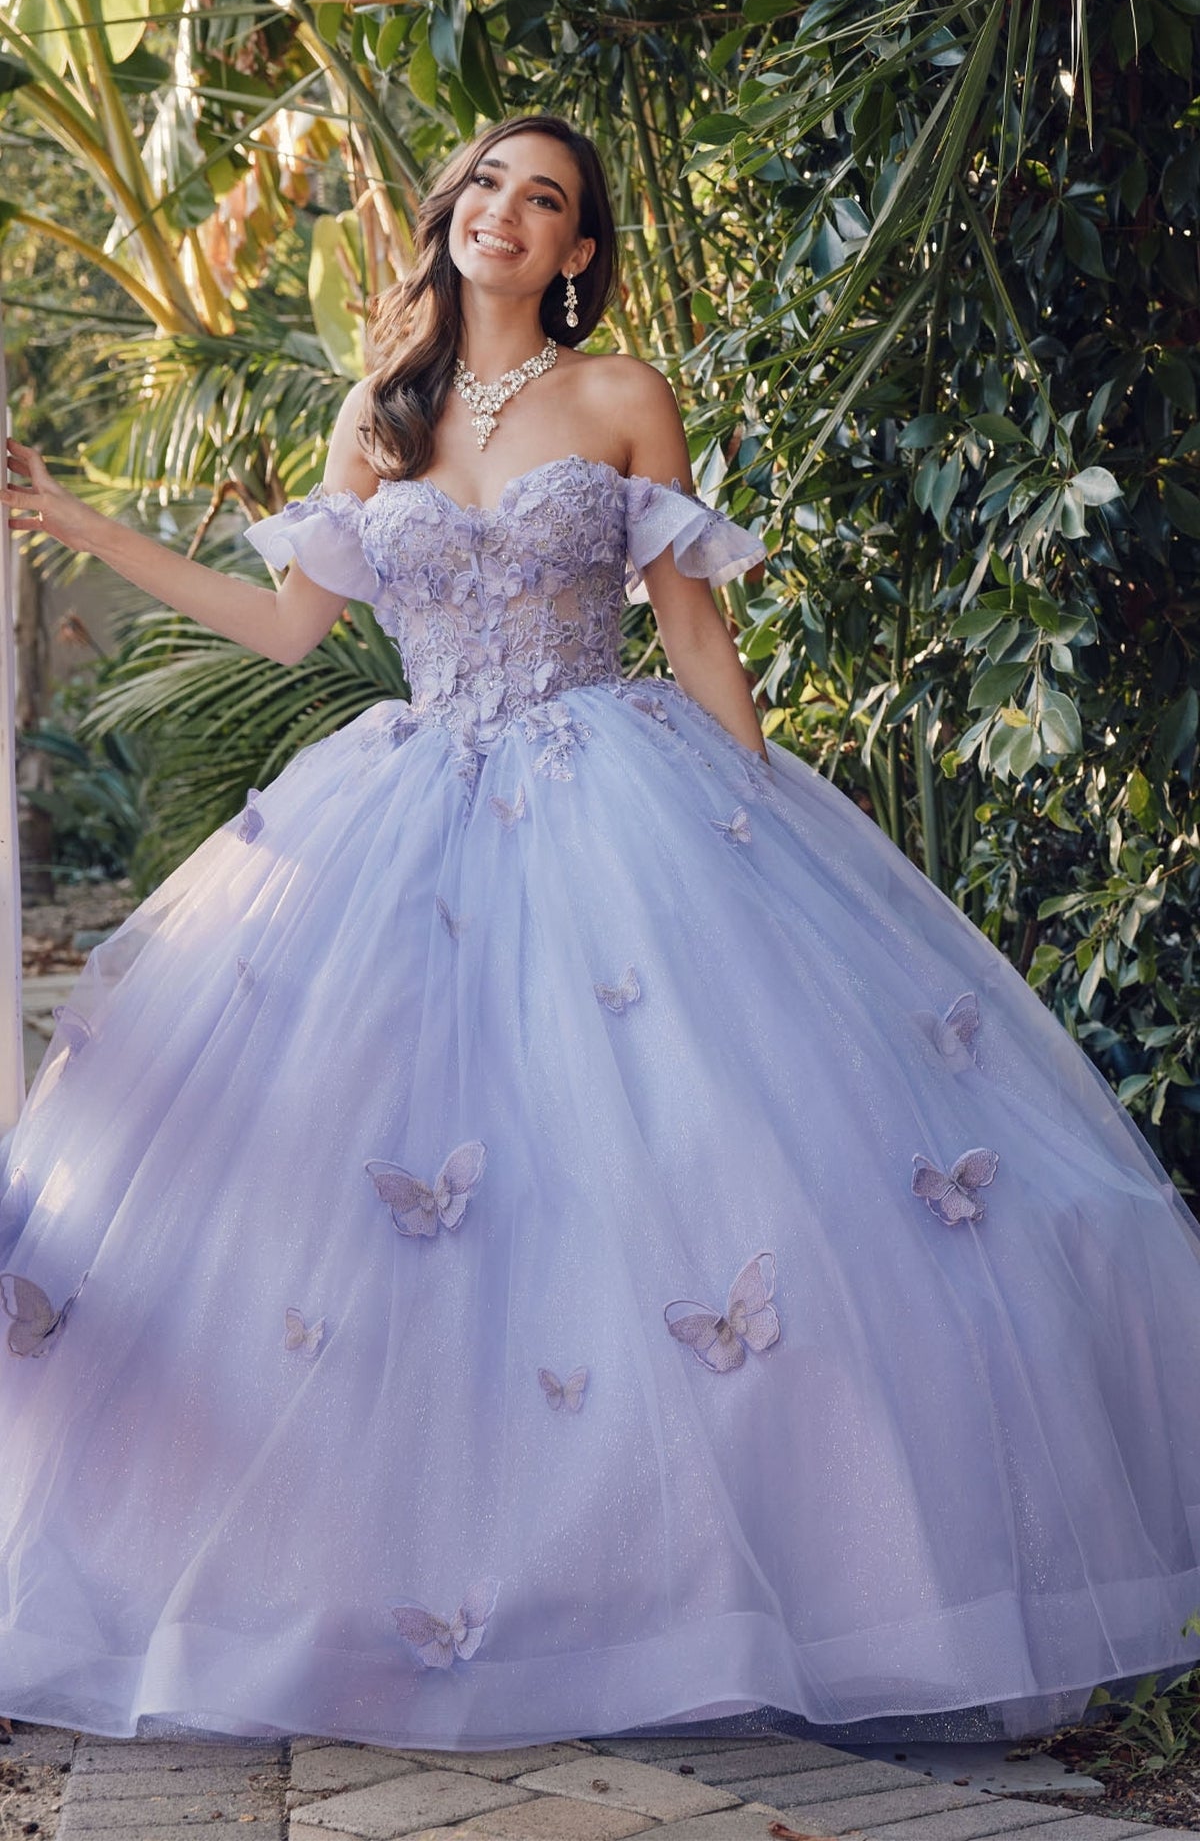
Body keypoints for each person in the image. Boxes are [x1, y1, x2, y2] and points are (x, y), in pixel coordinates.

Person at [1, 112, 1199, 1756]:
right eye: (487, 183)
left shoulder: (625, 396)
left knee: (677, 1187)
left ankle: (716, 1595)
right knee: (362, 1209)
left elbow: (692, 625)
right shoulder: (380, 409)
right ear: (451, 213)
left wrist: (771, 821)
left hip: (608, 796)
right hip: (404, 810)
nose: (505, 211)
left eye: (545, 199)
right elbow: (290, 630)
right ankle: (368, 1599)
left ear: (577, 254)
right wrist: (88, 533)